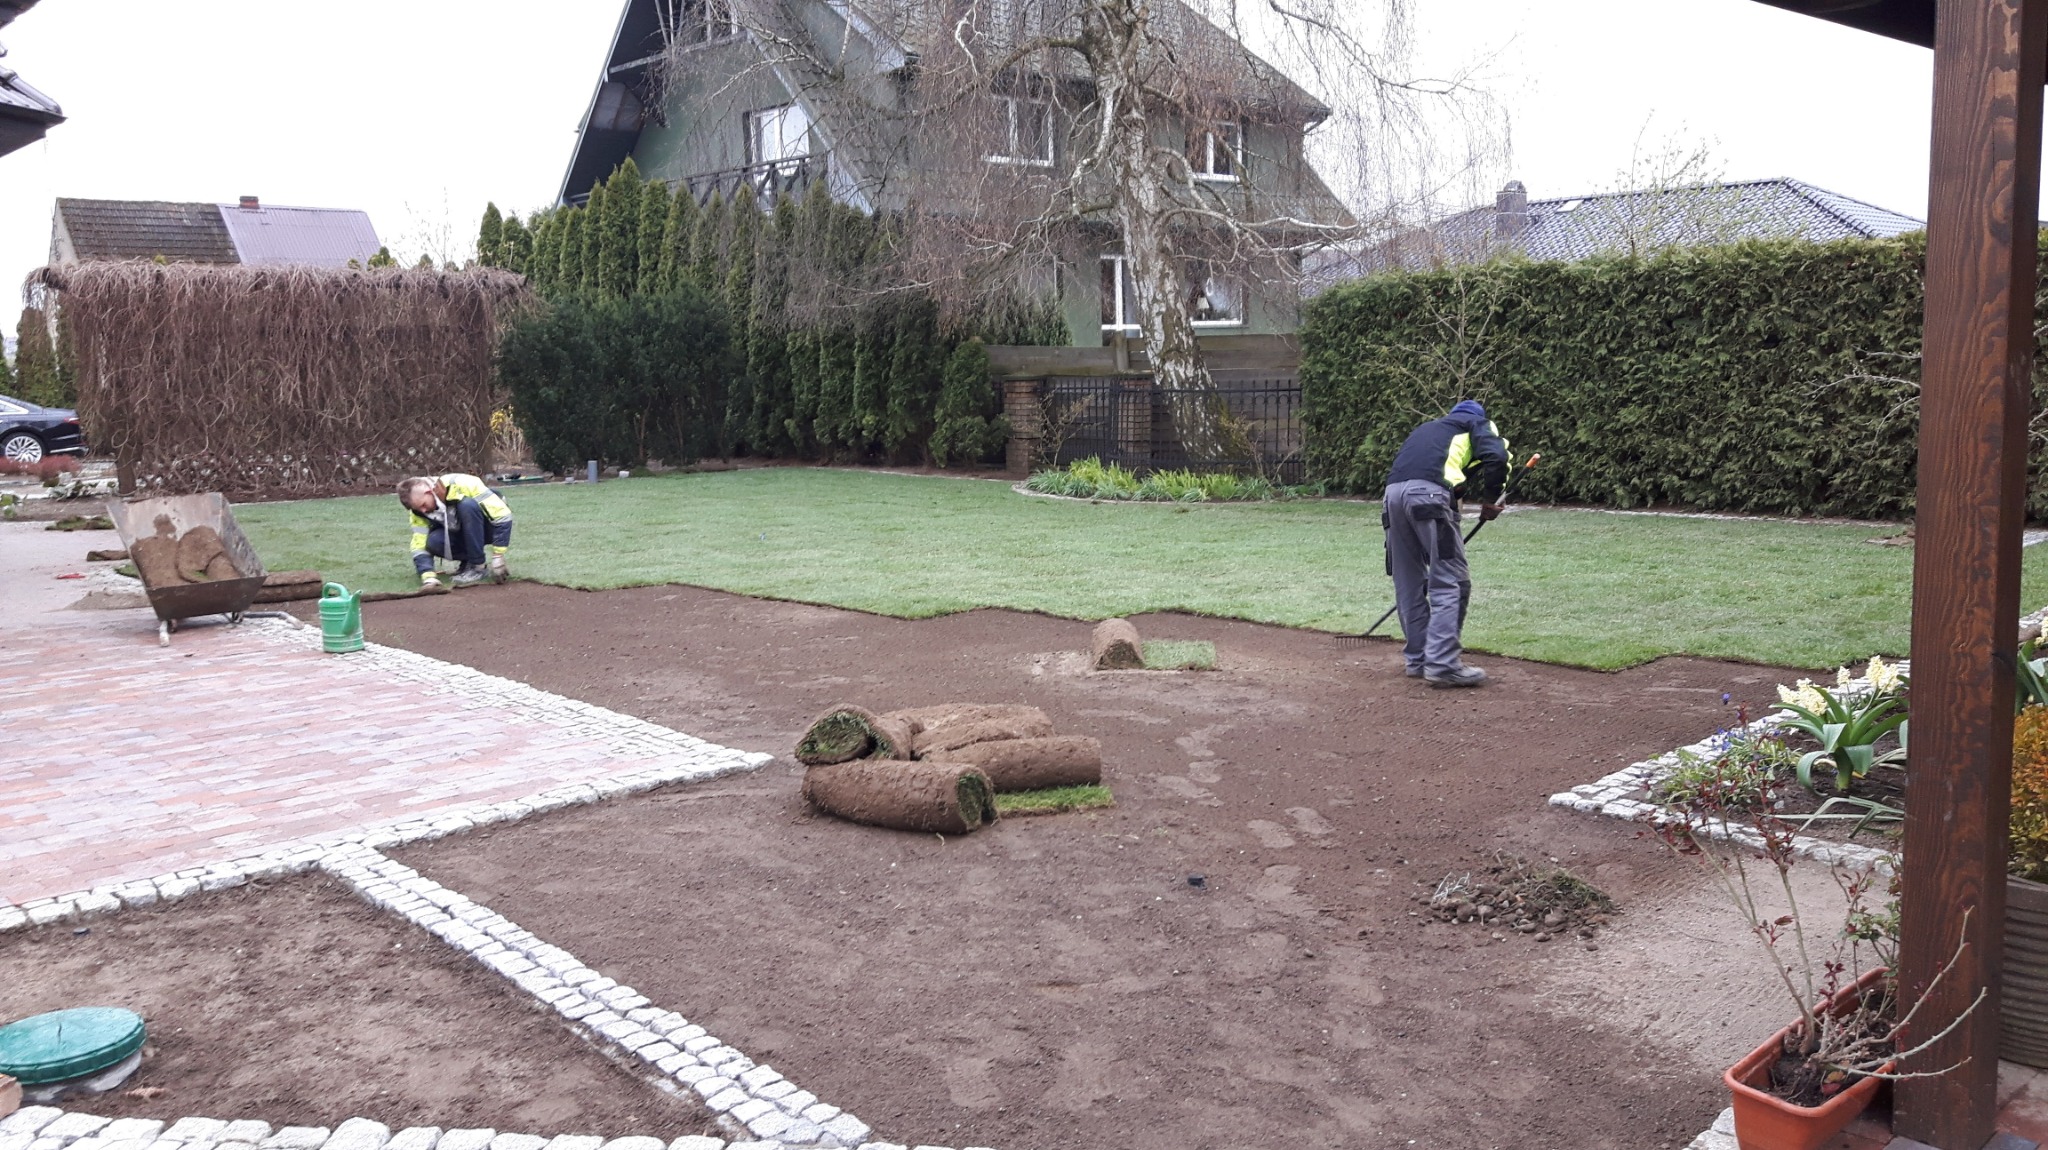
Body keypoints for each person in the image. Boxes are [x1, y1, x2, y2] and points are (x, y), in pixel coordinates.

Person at [1381, 400, 1509, 688]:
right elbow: (1497, 458)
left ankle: (1419, 659)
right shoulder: (1476, 424)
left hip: (1392, 498)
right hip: (1427, 499)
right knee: (1450, 580)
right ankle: (1442, 664)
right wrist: (1492, 499)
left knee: (1409, 582)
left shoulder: (1429, 429)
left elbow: (1448, 474)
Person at [397, 474, 513, 590]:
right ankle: (468, 562)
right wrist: (428, 576)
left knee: (467, 506)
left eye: (423, 505)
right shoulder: (418, 512)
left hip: (488, 526)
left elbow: (503, 516)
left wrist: (498, 555)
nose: (423, 510)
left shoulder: (464, 483)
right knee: (433, 541)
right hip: (459, 530)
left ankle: (478, 567)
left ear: (429, 492)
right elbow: (419, 544)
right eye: (418, 508)